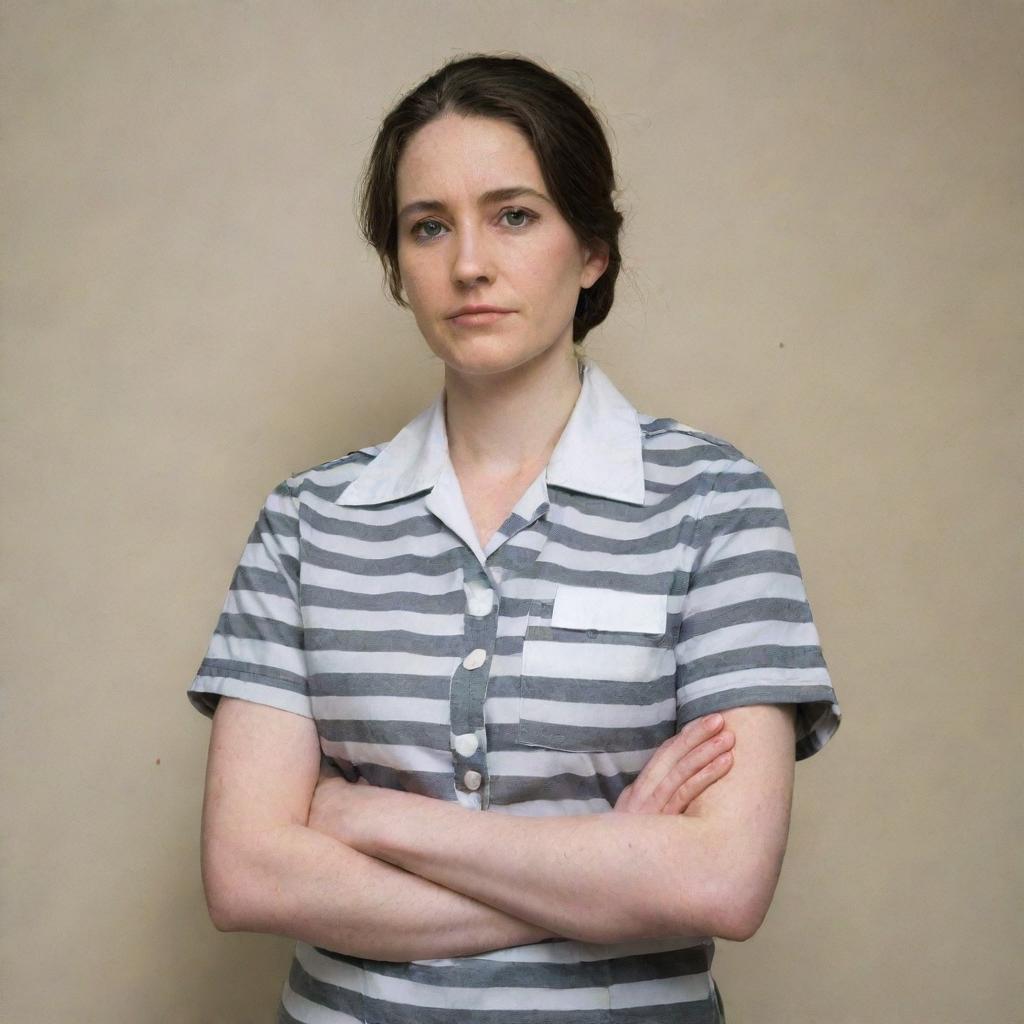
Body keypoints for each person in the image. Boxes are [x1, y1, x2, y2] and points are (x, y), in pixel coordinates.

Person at [188, 52, 840, 1024]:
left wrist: (368, 816)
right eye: (427, 226)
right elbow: (246, 872)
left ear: (592, 249)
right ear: (398, 267)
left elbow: (721, 882)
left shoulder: (715, 503)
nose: (468, 264)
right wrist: (608, 871)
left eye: (515, 214)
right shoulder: (308, 519)